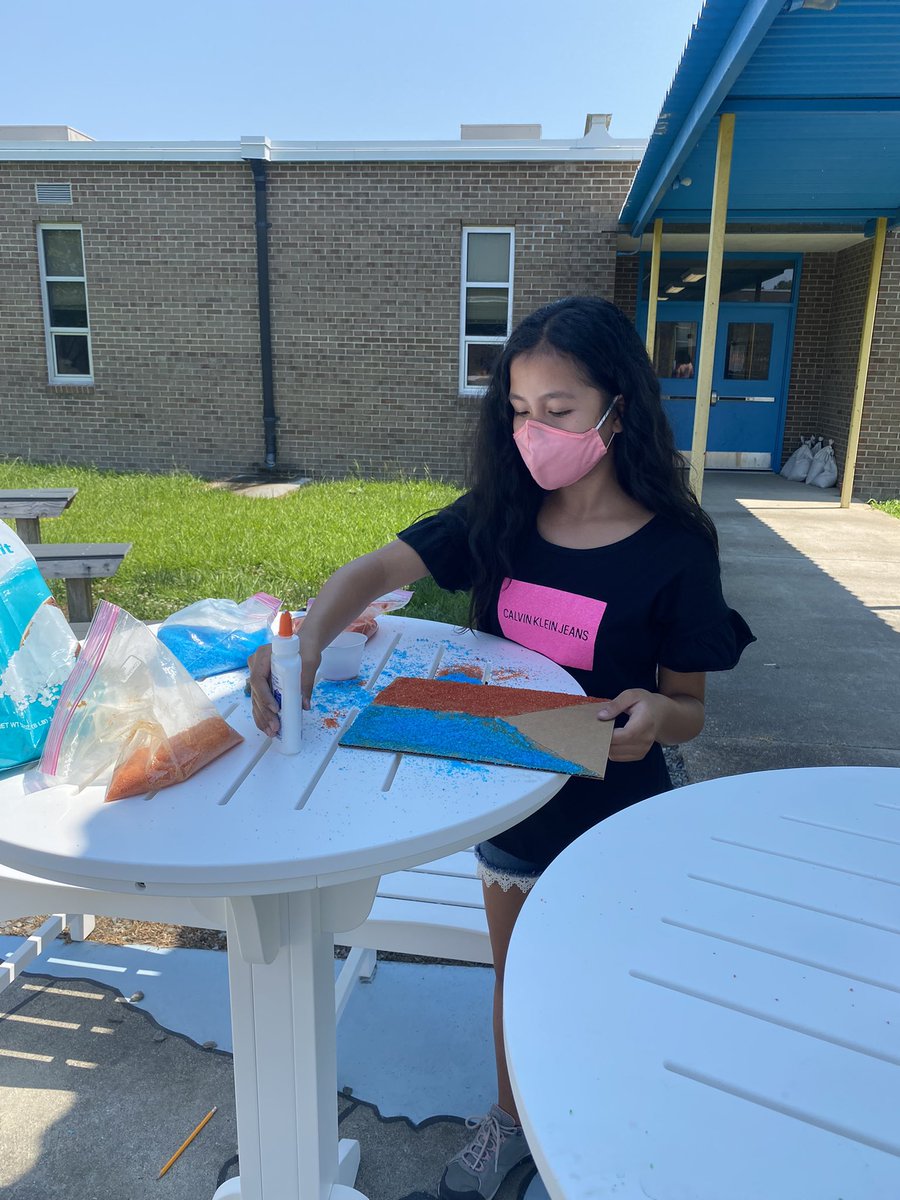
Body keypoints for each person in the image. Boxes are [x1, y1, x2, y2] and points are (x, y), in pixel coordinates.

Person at [249, 295, 754, 1200]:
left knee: (602, 980)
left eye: (558, 411)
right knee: (515, 976)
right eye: (519, 410)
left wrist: (652, 712)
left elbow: (688, 708)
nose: (534, 432)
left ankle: (598, 1126)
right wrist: (302, 644)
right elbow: (373, 572)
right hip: (505, 795)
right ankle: (512, 1120)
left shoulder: (677, 551)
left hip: (615, 806)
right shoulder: (502, 515)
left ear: (617, 408)